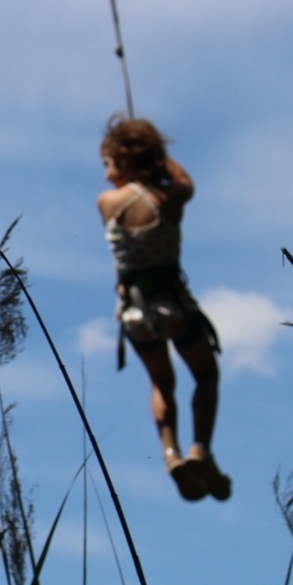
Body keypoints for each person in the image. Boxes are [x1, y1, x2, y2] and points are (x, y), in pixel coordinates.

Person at [97, 115, 228, 502]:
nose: (105, 175)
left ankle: (171, 455)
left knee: (161, 383)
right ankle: (200, 449)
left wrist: (137, 158)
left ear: (123, 160)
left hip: (134, 312)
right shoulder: (170, 199)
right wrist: (157, 156)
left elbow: (120, 192)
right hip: (173, 305)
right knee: (205, 375)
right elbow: (185, 182)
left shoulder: (107, 203)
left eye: (108, 163)